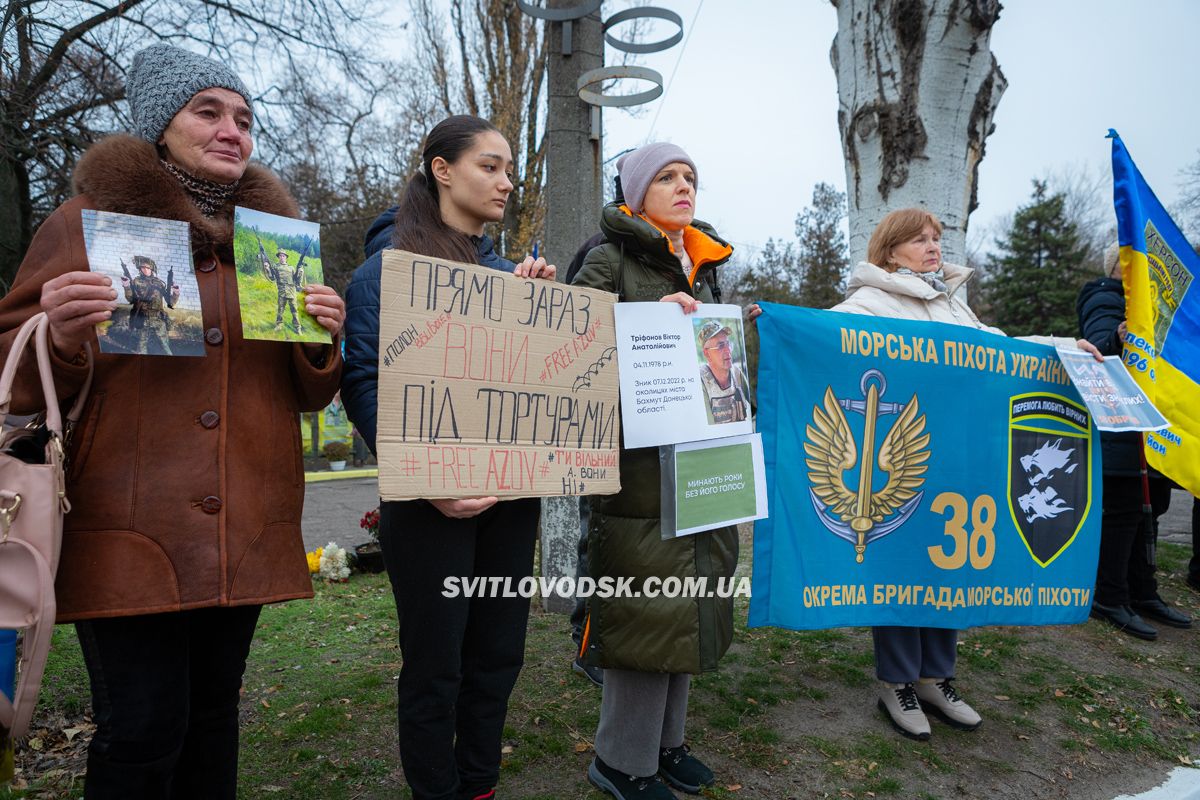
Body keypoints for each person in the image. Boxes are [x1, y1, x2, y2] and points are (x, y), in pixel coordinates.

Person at [0, 43, 344, 799]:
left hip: (243, 527)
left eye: (246, 119)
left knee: (215, 718)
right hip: (126, 527)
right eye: (208, 111)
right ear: (160, 125)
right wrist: (59, 337)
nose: (233, 131)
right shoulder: (87, 222)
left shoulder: (271, 246)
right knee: (145, 729)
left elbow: (307, 397)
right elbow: (12, 371)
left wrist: (321, 337)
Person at [340, 114, 556, 800]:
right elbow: (364, 380)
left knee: (498, 658)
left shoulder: (509, 277)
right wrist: (429, 479)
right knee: (437, 668)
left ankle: (480, 785)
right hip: (428, 508)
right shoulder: (383, 275)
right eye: (489, 166)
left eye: (509, 169)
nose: (506, 181)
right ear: (442, 169)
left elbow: (539, 388)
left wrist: (543, 315)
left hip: (509, 502)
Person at [830, 207, 1102, 742]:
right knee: (906, 569)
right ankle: (897, 681)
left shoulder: (955, 307)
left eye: (936, 238)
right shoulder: (870, 301)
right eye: (919, 240)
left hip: (959, 462)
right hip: (910, 462)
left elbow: (1005, 350)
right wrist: (772, 320)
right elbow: (824, 337)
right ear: (889, 251)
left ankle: (935, 676)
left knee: (949, 567)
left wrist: (1067, 349)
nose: (933, 247)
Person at [571, 142, 739, 800]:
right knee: (645, 615)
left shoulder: (702, 263)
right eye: (667, 177)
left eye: (691, 177)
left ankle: (667, 746)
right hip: (636, 474)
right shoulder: (608, 257)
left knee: (691, 604)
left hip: (701, 462)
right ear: (636, 194)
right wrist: (644, 323)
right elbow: (571, 342)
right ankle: (620, 760)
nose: (683, 187)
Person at [1076, 245, 1192, 638]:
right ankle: (1110, 596)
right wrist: (1119, 334)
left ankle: (1144, 591)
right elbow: (1097, 344)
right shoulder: (1105, 296)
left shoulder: (1157, 310)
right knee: (1124, 513)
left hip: (1153, 431)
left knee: (1152, 510)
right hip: (1121, 428)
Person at [121, 254, 179, 354]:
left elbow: (171, 302)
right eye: (143, 268)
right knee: (141, 346)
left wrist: (176, 291)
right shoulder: (136, 282)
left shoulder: (159, 283)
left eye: (148, 268)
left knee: (165, 345)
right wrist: (126, 285)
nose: (145, 270)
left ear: (152, 269)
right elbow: (130, 298)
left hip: (158, 319)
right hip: (143, 319)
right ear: (140, 269)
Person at [695, 320, 750, 424]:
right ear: (707, 354)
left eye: (728, 344)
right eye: (720, 346)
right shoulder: (700, 381)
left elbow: (756, 407)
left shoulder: (737, 373)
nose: (728, 350)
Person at [266, 246, 303, 333]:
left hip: (291, 292)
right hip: (282, 291)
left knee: (294, 310)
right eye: (280, 256)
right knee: (280, 310)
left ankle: (298, 328)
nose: (282, 257)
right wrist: (267, 269)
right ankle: (279, 325)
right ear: (278, 257)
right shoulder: (275, 267)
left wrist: (300, 272)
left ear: (286, 257)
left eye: (283, 256)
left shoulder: (291, 268)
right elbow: (272, 278)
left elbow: (296, 280)